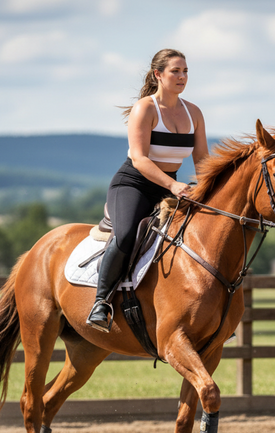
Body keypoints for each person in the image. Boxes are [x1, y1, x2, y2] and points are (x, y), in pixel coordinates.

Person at [87, 49, 209, 332]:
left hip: (172, 188)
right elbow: (141, 159)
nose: (182, 77)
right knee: (127, 233)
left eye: (185, 71)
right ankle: (101, 302)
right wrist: (173, 185)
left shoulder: (194, 112)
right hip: (134, 184)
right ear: (158, 74)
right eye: (175, 71)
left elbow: (202, 160)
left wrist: (208, 189)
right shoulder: (146, 108)